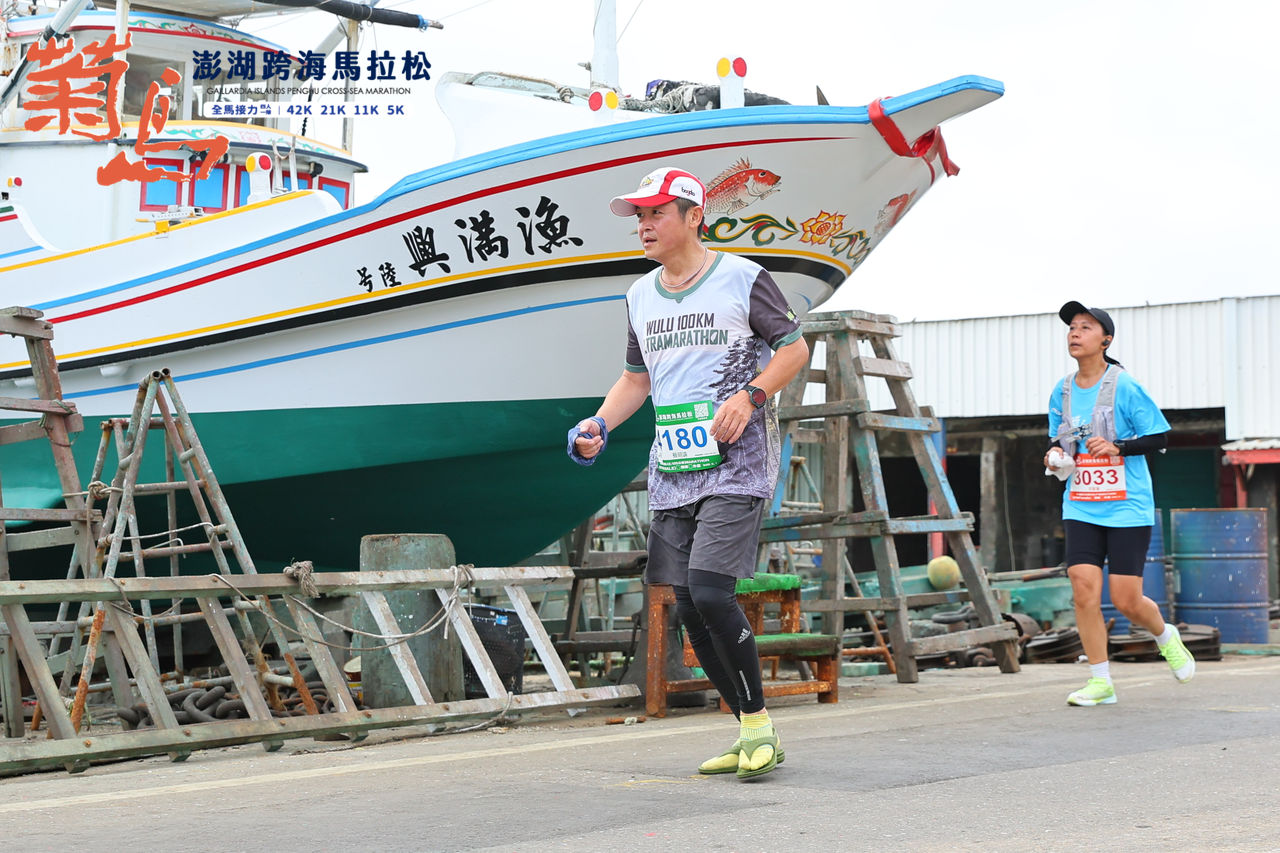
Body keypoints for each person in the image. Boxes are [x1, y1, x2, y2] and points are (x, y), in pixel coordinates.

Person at [567, 166, 809, 779]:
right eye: (640, 216)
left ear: (694, 216)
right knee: (686, 605)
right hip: (674, 466)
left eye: (657, 213)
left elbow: (794, 350)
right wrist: (598, 424)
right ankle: (748, 728)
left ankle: (759, 723)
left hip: (737, 461)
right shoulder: (640, 295)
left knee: (710, 590)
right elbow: (636, 380)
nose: (644, 225)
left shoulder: (742, 279)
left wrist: (750, 396)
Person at [1045, 301, 1194, 707]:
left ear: (1105, 340)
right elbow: (1058, 439)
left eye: (1085, 327)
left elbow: (1159, 436)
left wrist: (1118, 447)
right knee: (1083, 590)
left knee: (1126, 599)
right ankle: (1101, 681)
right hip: (1081, 502)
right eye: (1072, 327)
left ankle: (1165, 635)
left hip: (1127, 505)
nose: (1075, 333)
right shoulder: (1062, 390)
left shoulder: (1124, 385)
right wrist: (1055, 455)